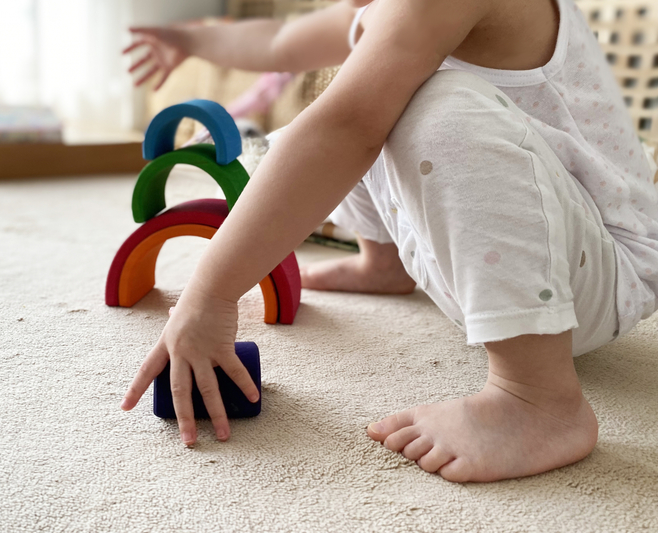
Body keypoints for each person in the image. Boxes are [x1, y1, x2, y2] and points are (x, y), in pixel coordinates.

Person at [120, 0, 658, 482]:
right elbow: (278, 42)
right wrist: (187, 39)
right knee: (358, 95)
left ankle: (537, 396)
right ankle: (384, 263)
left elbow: (345, 127)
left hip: (598, 273)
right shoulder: (377, 10)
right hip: (512, 264)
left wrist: (209, 294)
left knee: (403, 106)